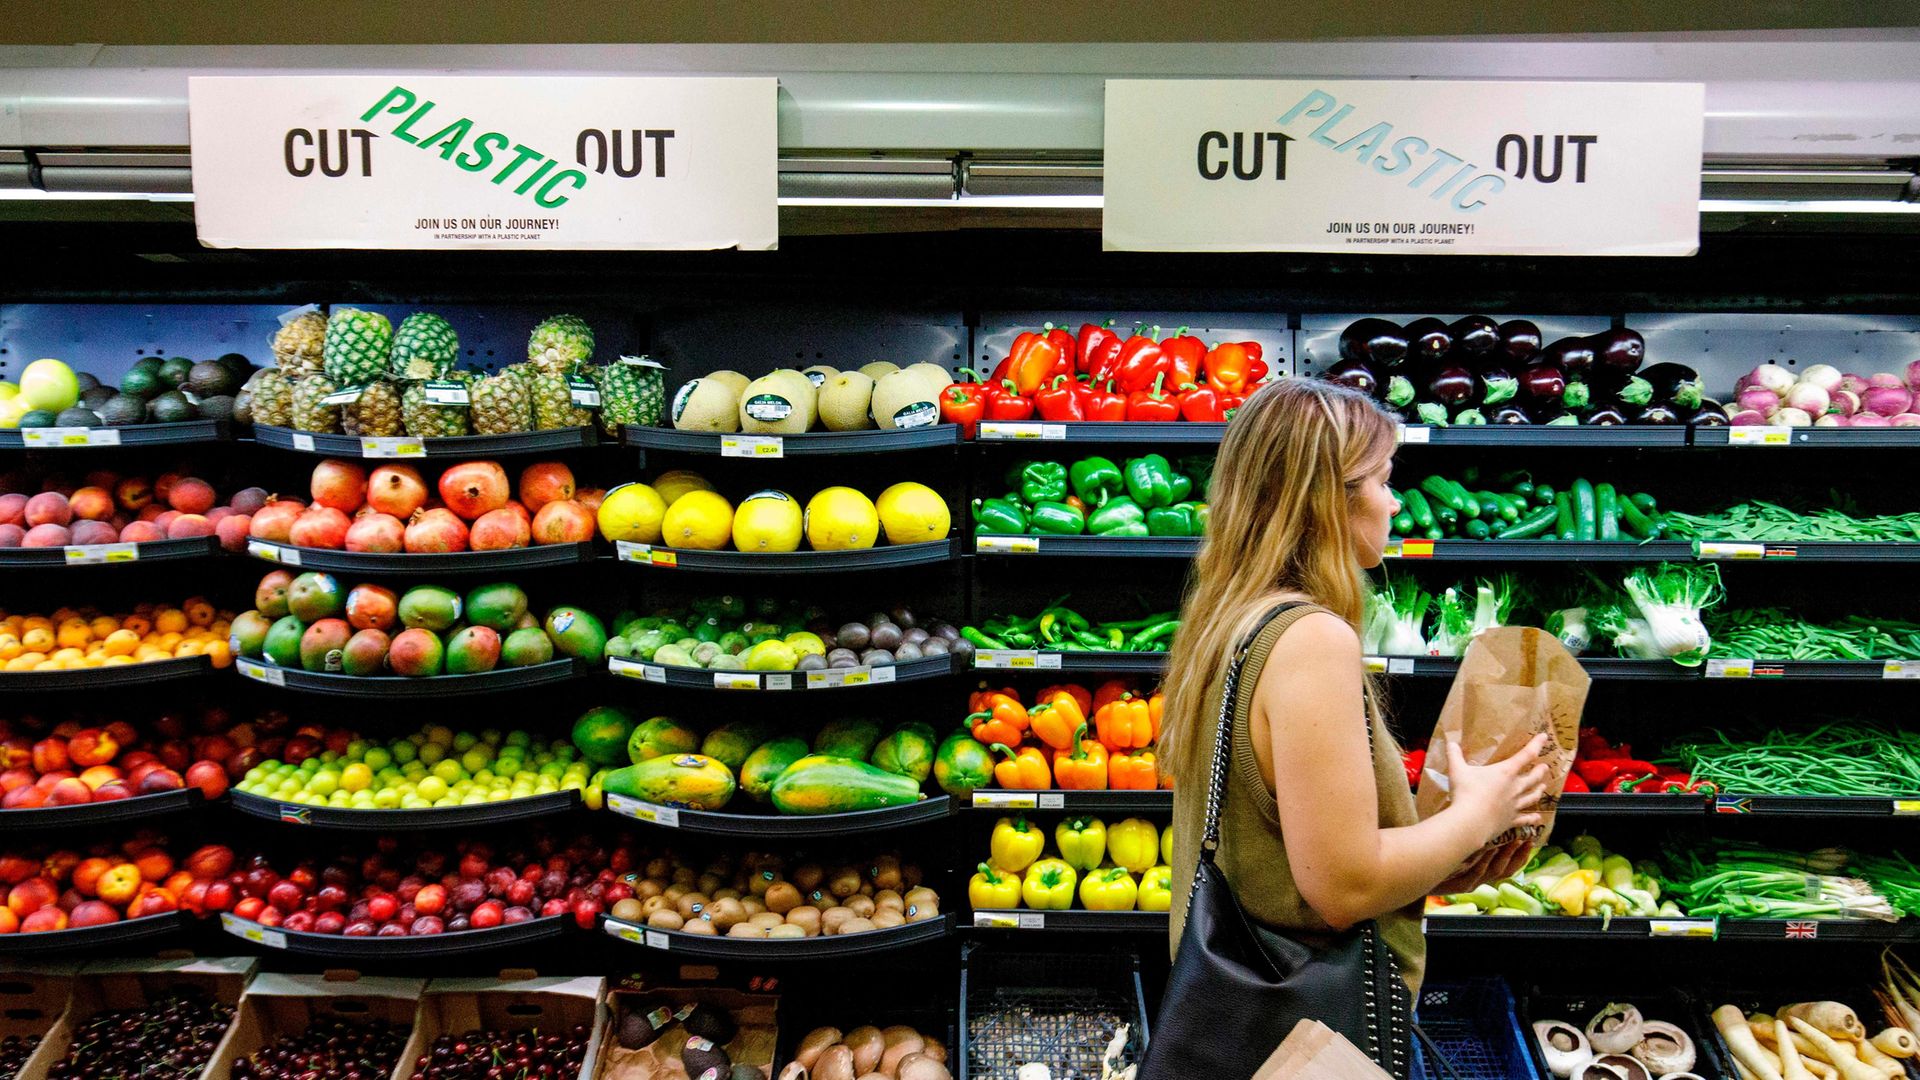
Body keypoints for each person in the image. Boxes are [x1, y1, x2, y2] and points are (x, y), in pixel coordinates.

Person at [1160, 378, 1549, 1003]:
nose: (1394, 504)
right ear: (1328, 500)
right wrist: (1483, 813)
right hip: (1310, 1036)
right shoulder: (1312, 639)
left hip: (1236, 1012)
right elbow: (1342, 888)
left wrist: (1447, 851)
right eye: (1383, 479)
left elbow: (1285, 852)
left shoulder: (1227, 618)